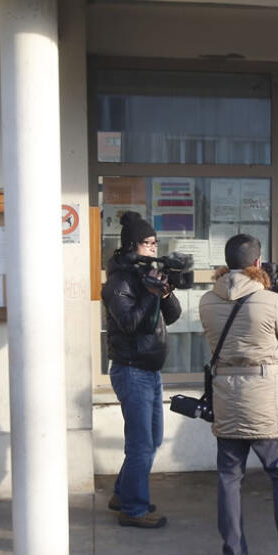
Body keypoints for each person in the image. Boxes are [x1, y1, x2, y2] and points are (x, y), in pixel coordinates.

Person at [198, 233, 278, 555]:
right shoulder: (269, 301)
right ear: (256, 263)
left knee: (229, 477)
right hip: (265, 398)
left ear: (226, 264)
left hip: (226, 396)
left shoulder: (207, 301)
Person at [101, 211, 181, 528]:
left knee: (152, 440)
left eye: (154, 242)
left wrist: (165, 291)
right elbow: (131, 323)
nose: (152, 248)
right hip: (132, 370)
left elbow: (171, 315)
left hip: (149, 370)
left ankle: (123, 493)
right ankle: (133, 509)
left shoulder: (142, 278)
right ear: (132, 245)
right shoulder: (119, 283)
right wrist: (149, 295)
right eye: (147, 243)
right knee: (141, 445)